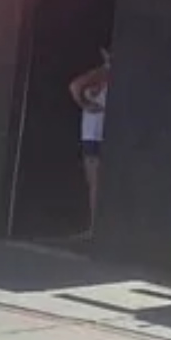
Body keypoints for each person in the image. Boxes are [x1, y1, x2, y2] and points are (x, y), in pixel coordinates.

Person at [69, 47, 111, 238]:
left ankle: (94, 227)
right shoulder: (107, 74)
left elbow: (75, 86)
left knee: (94, 181)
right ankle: (96, 226)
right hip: (97, 132)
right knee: (96, 181)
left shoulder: (103, 72)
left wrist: (86, 104)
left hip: (93, 133)